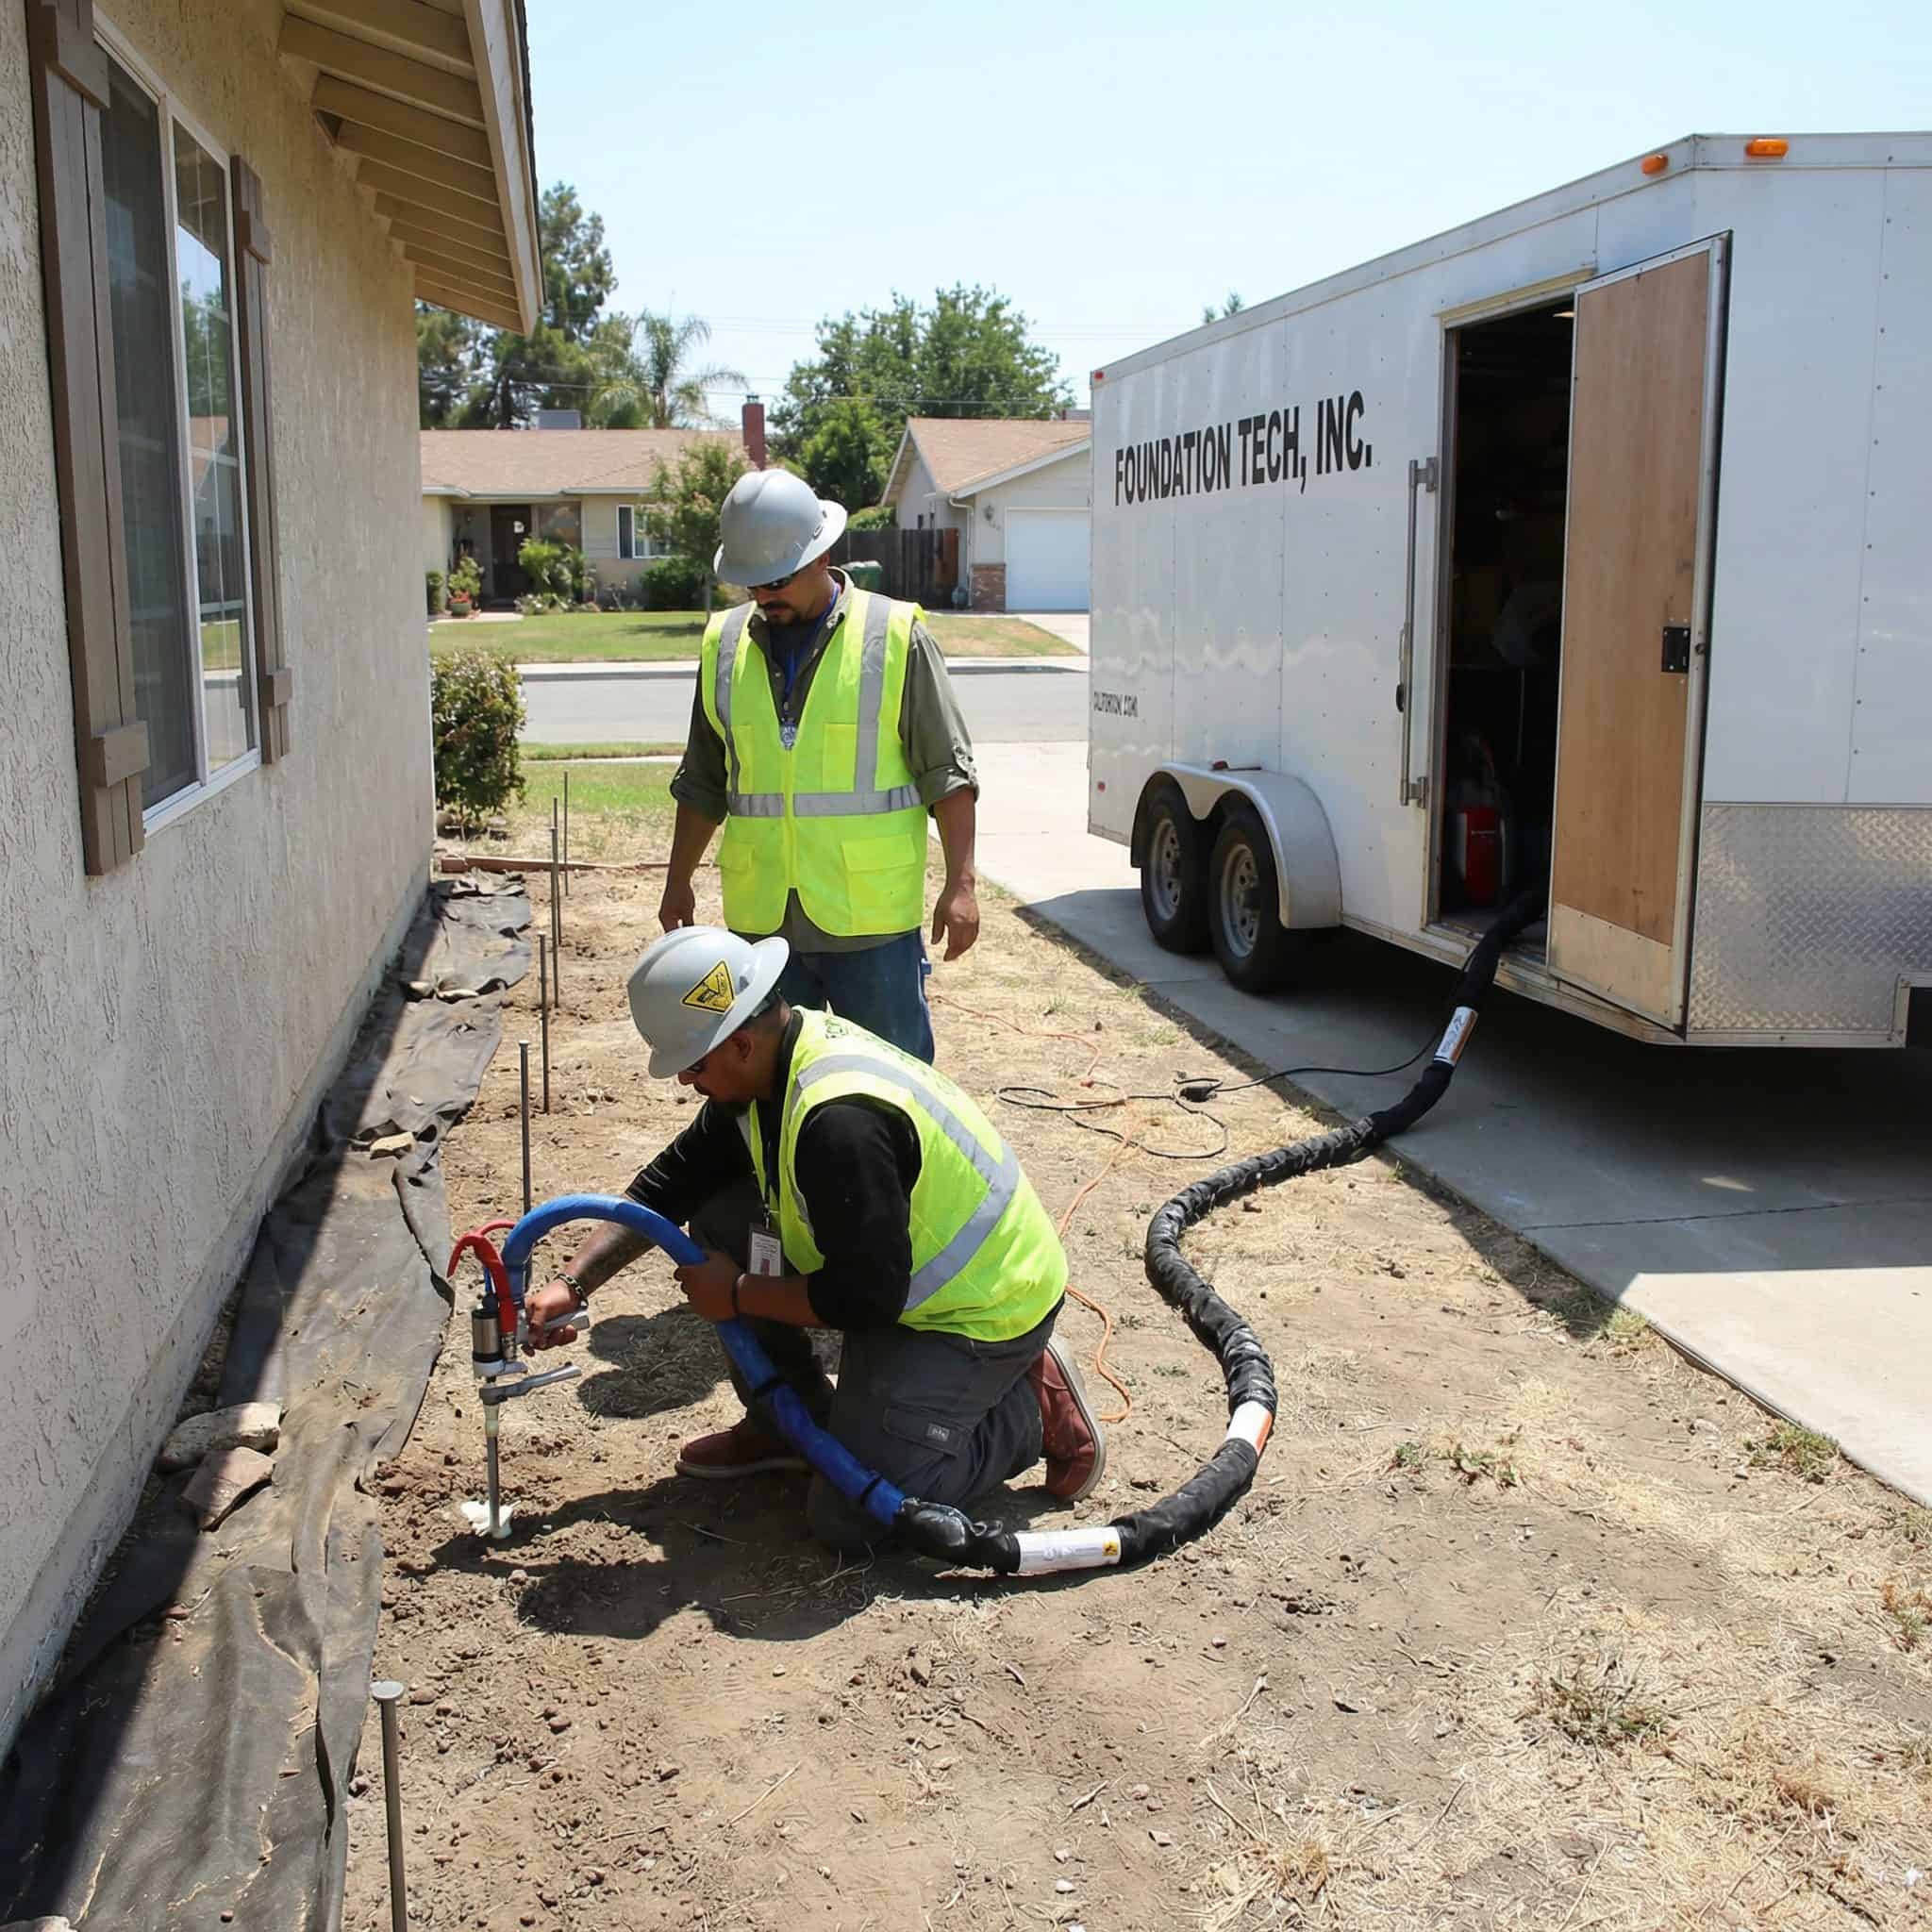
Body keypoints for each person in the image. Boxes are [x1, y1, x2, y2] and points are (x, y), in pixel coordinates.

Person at [525, 925, 1106, 1554]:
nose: (685, 1083)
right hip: (891, 1278)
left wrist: (740, 1293)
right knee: (720, 1211)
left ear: (740, 1044)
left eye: (692, 1065)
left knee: (853, 1516)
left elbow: (866, 1300)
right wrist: (571, 1284)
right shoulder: (767, 1067)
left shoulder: (839, 1122)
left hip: (981, 1309)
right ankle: (784, 1425)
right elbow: (673, 1182)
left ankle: (1026, 1412)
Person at [658, 468, 980, 1064]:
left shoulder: (894, 635)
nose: (764, 595)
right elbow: (704, 782)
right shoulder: (723, 646)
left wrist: (961, 885)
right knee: (773, 1083)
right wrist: (677, 881)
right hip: (762, 921)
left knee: (891, 1083)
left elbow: (948, 774)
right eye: (751, 583)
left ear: (821, 554)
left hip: (870, 921)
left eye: (777, 580)